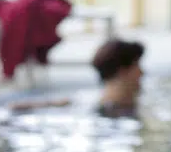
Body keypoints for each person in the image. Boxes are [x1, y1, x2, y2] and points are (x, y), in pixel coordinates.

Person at [8, 38, 145, 118]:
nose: (142, 73)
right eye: (137, 66)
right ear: (123, 71)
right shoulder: (110, 111)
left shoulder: (84, 101)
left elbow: (18, 107)